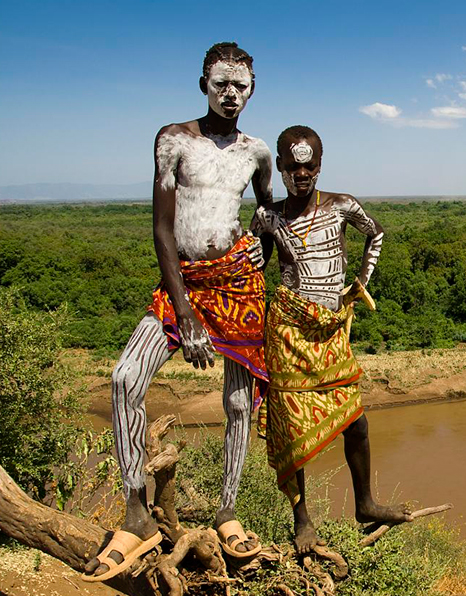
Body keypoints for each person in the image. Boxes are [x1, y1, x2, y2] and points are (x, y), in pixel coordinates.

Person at [83, 42, 272, 582]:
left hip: (237, 283)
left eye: (240, 85)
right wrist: (185, 315)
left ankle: (228, 513)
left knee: (239, 401)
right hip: (183, 283)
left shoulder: (256, 152)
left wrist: (263, 237)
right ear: (203, 85)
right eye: (221, 84)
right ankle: (135, 511)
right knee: (124, 378)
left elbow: (265, 206)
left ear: (252, 89)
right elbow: (162, 229)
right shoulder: (174, 140)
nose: (230, 94)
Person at [251, 125, 412, 555]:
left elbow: (375, 233)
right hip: (287, 328)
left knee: (355, 420)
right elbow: (253, 264)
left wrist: (360, 282)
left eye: (309, 166)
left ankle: (365, 503)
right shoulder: (269, 216)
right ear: (281, 168)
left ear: (320, 165)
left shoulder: (341, 205)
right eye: (292, 167)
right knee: (290, 429)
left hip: (331, 327)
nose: (301, 174)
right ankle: (302, 520)